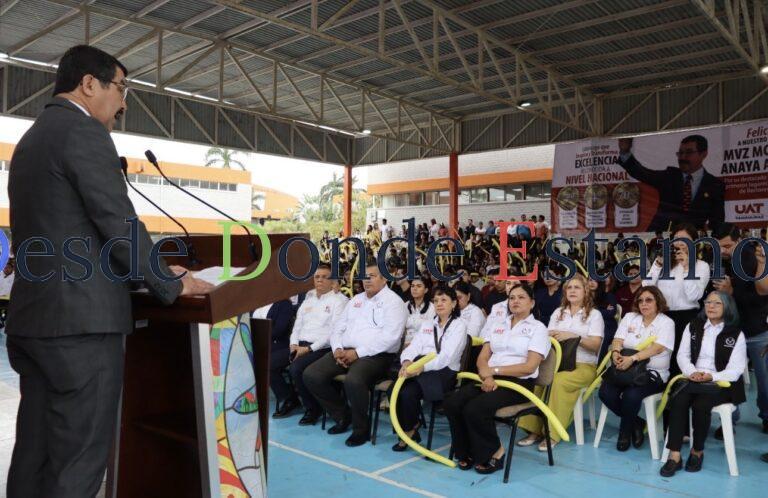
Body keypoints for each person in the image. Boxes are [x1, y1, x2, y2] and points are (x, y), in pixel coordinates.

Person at [5, 45, 213, 498]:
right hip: (81, 329)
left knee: (35, 454)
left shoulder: (32, 140)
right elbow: (117, 222)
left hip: (35, 322)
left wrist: (148, 269)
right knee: (77, 463)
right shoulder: (83, 133)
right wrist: (169, 282)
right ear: (88, 84)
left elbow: (72, 236)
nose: (123, 103)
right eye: (121, 89)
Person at [444, 284, 550, 474]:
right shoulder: (498, 326)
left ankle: (495, 451)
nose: (515, 301)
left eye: (521, 297)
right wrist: (487, 374)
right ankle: (465, 451)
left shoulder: (538, 328)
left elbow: (529, 367)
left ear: (532, 303)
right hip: (490, 377)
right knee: (453, 401)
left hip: (518, 384)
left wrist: (493, 370)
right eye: (512, 298)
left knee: (475, 408)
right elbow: (482, 357)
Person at [303, 260, 408, 447]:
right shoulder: (356, 300)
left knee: (354, 380)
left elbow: (390, 338)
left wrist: (357, 353)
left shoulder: (394, 303)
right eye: (364, 277)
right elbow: (338, 328)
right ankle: (344, 416)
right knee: (311, 375)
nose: (367, 281)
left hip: (376, 355)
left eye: (372, 276)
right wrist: (337, 349)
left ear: (384, 279)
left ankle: (362, 429)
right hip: (344, 351)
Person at [660, 291, 747, 477]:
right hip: (692, 378)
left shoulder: (735, 333)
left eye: (717, 303)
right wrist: (692, 372)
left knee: (701, 405)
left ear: (727, 307)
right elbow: (682, 355)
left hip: (721, 382)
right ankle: (674, 455)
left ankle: (697, 451)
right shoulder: (694, 326)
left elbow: (737, 368)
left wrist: (711, 376)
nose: (711, 306)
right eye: (708, 302)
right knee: (678, 400)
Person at [518, 274, 604, 451]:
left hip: (583, 366)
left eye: (577, 287)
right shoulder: (559, 313)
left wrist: (575, 337)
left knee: (558, 382)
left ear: (586, 291)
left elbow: (595, 345)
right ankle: (534, 430)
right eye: (569, 288)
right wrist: (548, 335)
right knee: (538, 376)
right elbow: (546, 337)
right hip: (558, 362)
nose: (572, 291)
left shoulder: (594, 315)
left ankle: (552, 433)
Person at [599, 286, 675, 451]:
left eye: (649, 300)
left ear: (658, 302)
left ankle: (624, 434)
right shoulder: (630, 317)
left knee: (631, 395)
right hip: (625, 370)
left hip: (652, 373)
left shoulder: (666, 322)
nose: (643, 304)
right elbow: (618, 339)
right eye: (640, 300)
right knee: (605, 392)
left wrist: (633, 358)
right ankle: (637, 423)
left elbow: (657, 348)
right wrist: (616, 353)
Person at [710, 222, 768, 435]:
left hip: (756, 328)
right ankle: (729, 420)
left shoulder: (753, 259)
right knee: (728, 377)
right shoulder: (719, 258)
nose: (723, 251)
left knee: (765, 380)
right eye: (719, 247)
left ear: (739, 241)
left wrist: (731, 291)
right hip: (731, 329)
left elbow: (761, 297)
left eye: (727, 246)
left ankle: (766, 417)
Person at [392, 287, 467, 451]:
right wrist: (406, 361)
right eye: (436, 301)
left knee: (406, 393)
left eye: (444, 300)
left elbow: (446, 357)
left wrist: (421, 368)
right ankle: (410, 427)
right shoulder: (428, 324)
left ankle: (409, 429)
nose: (439, 304)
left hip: (443, 371)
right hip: (420, 366)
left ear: (454, 303)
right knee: (394, 390)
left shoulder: (459, 325)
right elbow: (414, 346)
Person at [617, 136, 724, 231]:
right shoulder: (669, 176)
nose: (682, 157)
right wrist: (625, 152)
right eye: (680, 153)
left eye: (689, 152)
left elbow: (717, 220)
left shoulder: (714, 185)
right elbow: (642, 173)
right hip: (661, 237)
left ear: (703, 154)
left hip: (693, 243)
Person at [284, 264, 348, 426]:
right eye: (317, 277)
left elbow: (334, 333)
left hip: (323, 347)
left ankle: (313, 409)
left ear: (333, 281)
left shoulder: (339, 300)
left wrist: (309, 349)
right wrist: (293, 344)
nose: (319, 280)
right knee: (291, 365)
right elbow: (297, 325)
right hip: (301, 345)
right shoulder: (308, 298)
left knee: (297, 369)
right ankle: (309, 404)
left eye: (324, 277)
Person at [643, 223, 710, 376]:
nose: (680, 243)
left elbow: (694, 296)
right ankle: (662, 390)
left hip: (687, 318)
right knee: (661, 357)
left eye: (684, 239)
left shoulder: (701, 266)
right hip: (662, 317)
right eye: (676, 239)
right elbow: (646, 287)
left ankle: (680, 392)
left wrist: (687, 268)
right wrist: (658, 264)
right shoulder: (664, 262)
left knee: (683, 358)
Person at [259, 298, 299, 418]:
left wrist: (258, 335)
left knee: (266, 363)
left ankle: (289, 398)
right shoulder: (255, 304)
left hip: (280, 345)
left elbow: (279, 329)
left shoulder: (283, 303)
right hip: (258, 343)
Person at [589, 273, 619, 360]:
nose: (592, 283)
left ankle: (598, 367)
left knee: (601, 338)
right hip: (589, 325)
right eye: (590, 280)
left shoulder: (608, 296)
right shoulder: (584, 297)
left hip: (607, 326)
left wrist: (591, 311)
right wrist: (602, 310)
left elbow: (610, 313)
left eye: (595, 280)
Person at [404, 277, 435, 346]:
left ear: (426, 290)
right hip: (404, 343)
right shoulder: (405, 305)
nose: (414, 289)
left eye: (419, 286)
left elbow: (429, 331)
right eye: (412, 286)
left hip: (422, 345)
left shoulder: (432, 308)